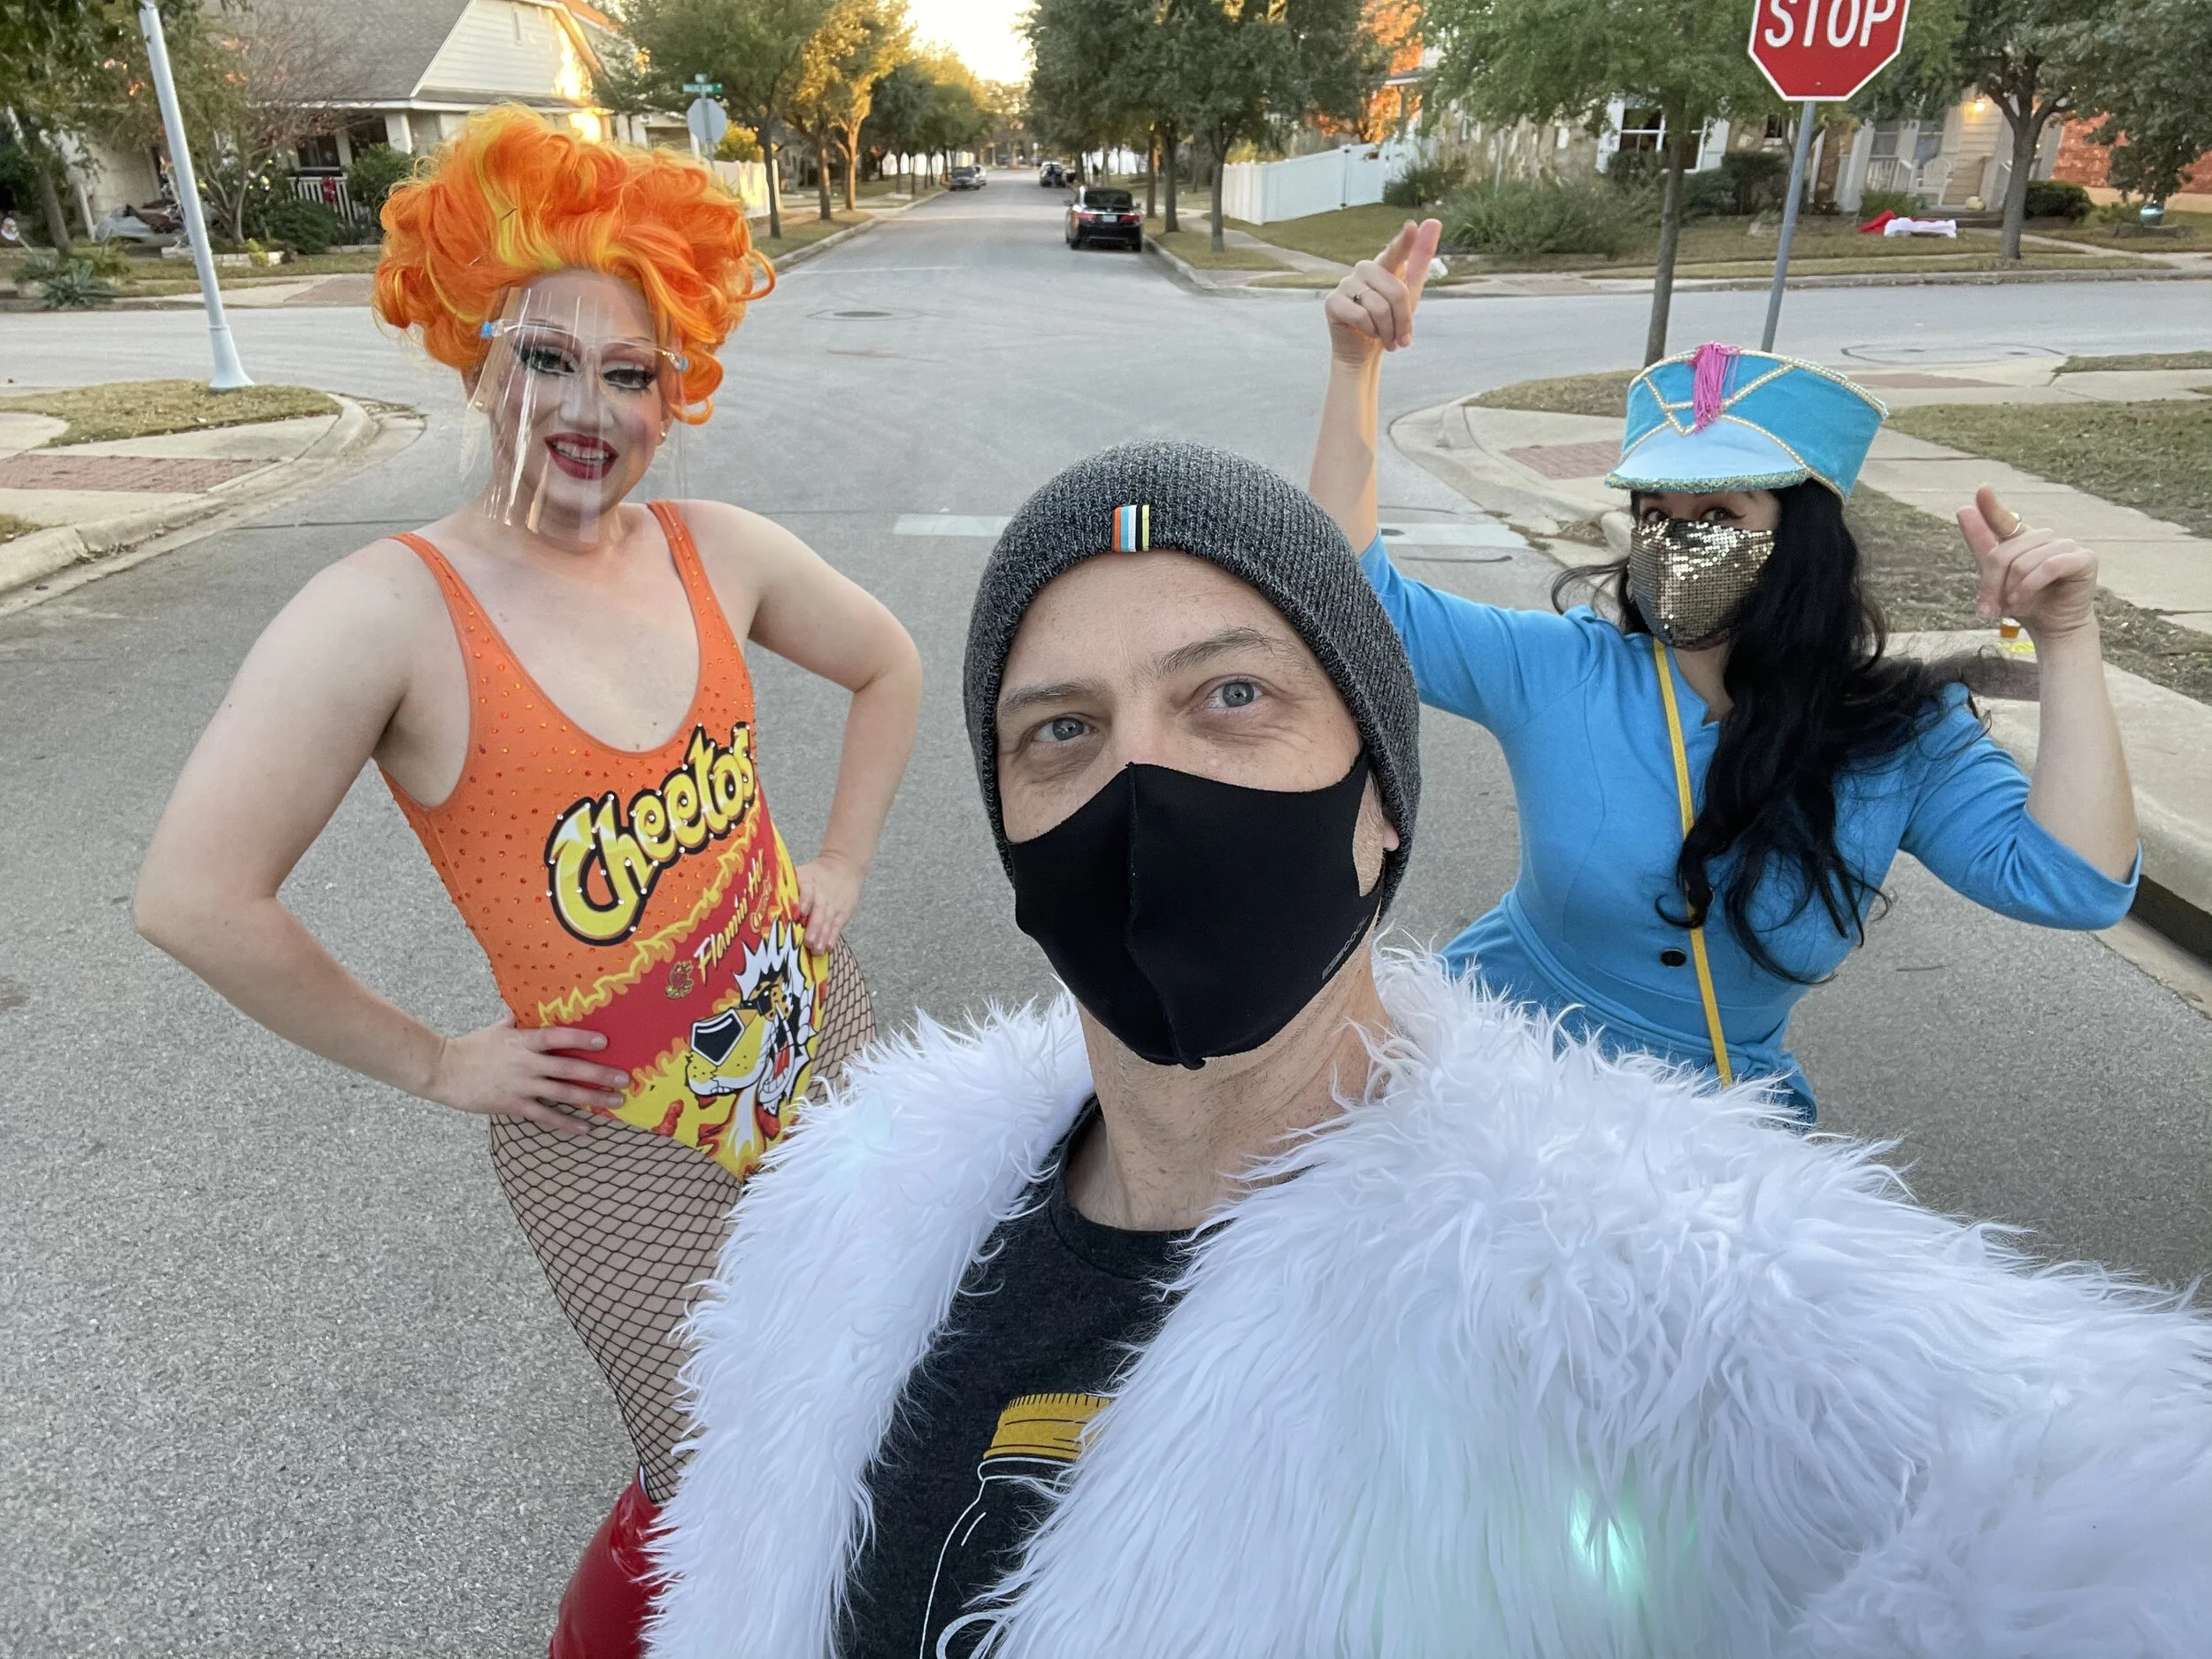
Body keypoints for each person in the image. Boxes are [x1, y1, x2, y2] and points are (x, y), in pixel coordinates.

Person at [644, 441, 2211, 1659]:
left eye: (1232, 697)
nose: (1142, 785)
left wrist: (2066, 641)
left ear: (1378, 804)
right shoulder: (857, 1214)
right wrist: (1355, 378)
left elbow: (2054, 1501)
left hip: (1644, 1151)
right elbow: (1366, 585)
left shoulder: (1657, 1294)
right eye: (1061, 731)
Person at [133, 109, 922, 1657]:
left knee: (882, 1386)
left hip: (813, 1037)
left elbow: (890, 664)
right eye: (544, 357)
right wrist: (435, 1057)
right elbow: (194, 895)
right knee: (718, 1480)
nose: (588, 407)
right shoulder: (382, 614)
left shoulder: (717, 548)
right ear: (473, 352)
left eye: (631, 373)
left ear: (674, 383)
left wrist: (837, 863)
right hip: (609, 1138)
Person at [1308, 220, 2139, 1121]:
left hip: (1714, 1149)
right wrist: (1355, 370)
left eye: (1716, 510)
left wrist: (2066, 635)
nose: (1673, 537)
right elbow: (1357, 604)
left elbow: (2075, 883)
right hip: (1481, 1085)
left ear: (1800, 538)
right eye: (1654, 509)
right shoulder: (1566, 670)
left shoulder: (1896, 735)